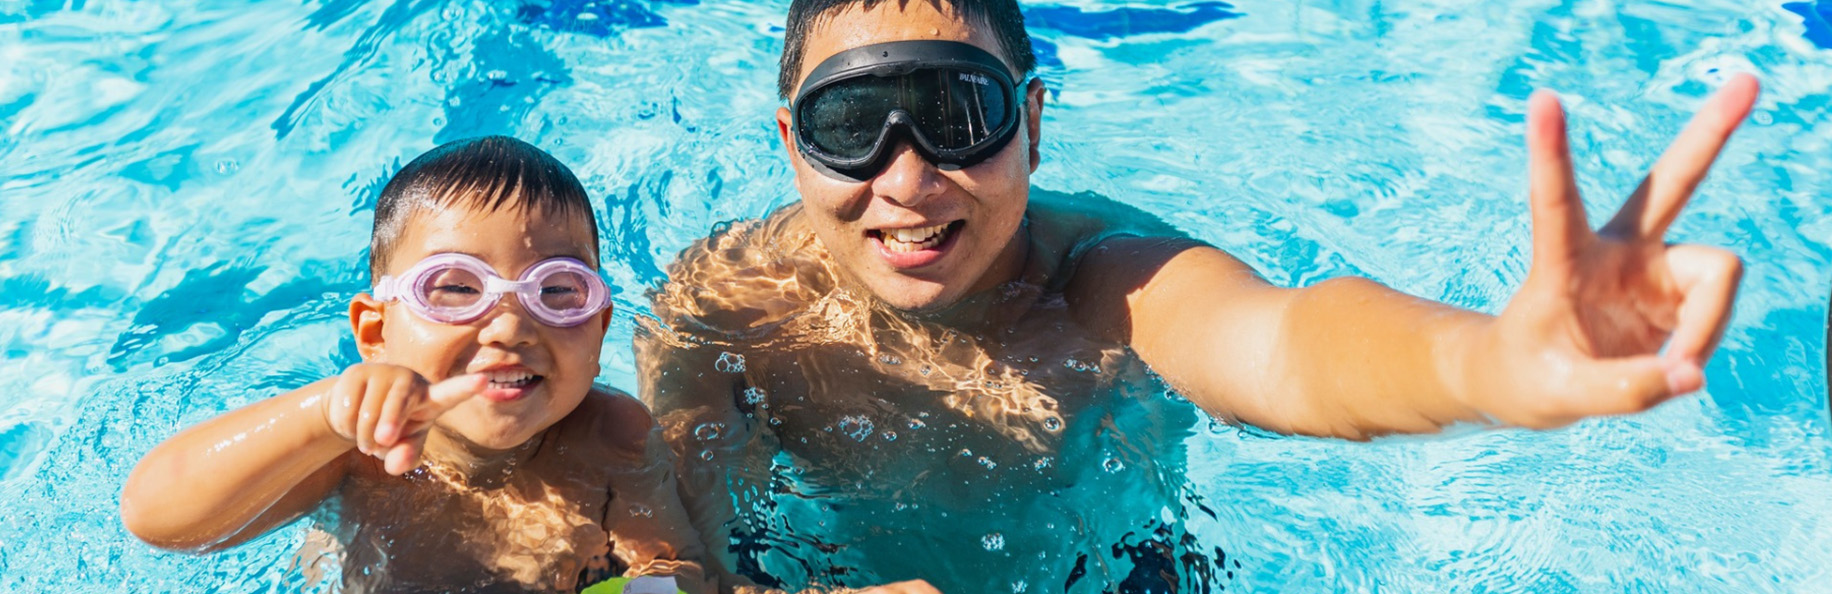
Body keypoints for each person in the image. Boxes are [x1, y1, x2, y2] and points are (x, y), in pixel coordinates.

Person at [636, 0, 1758, 591]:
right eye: (850, 126)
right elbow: (664, 553)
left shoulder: (1106, 281)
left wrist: (1490, 366)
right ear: (793, 145)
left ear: (1032, 121)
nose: (908, 178)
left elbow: (1288, 343)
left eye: (958, 115)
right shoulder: (728, 306)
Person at [121, 136, 708, 593]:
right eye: (454, 288)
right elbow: (158, 517)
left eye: (557, 291)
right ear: (376, 332)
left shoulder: (613, 435)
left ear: (600, 329)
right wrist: (324, 416)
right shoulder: (355, 452)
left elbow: (673, 561)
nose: (509, 326)